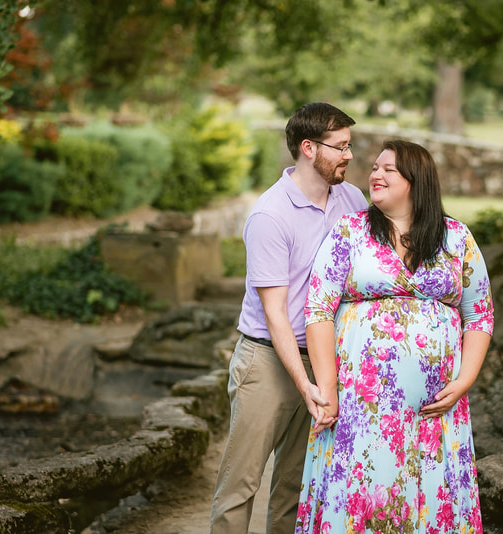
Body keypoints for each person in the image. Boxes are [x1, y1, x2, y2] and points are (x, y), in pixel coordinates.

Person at [295, 140, 494, 534]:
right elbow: (318, 309)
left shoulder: (455, 237)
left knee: (429, 498)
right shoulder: (350, 232)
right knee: (364, 492)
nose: (375, 174)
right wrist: (328, 389)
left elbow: (479, 316)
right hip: (362, 404)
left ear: (415, 181)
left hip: (434, 411)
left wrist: (464, 381)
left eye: (389, 169)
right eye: (374, 167)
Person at [210, 102, 369, 534]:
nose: (349, 156)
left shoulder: (352, 200)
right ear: (308, 148)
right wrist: (305, 384)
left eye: (349, 145)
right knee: (240, 486)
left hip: (324, 359)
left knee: (297, 489)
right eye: (340, 147)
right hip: (267, 362)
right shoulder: (270, 215)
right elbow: (275, 314)